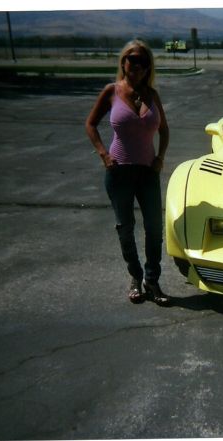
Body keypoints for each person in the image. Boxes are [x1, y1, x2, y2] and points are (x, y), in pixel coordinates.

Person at [85, 39, 171, 306]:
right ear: (123, 62)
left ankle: (152, 280)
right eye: (132, 59)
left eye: (143, 62)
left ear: (148, 68)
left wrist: (160, 157)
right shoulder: (111, 91)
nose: (137, 65)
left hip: (147, 173)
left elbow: (164, 130)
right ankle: (135, 277)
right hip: (119, 171)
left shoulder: (152, 95)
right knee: (126, 227)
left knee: (155, 228)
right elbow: (90, 124)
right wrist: (103, 153)